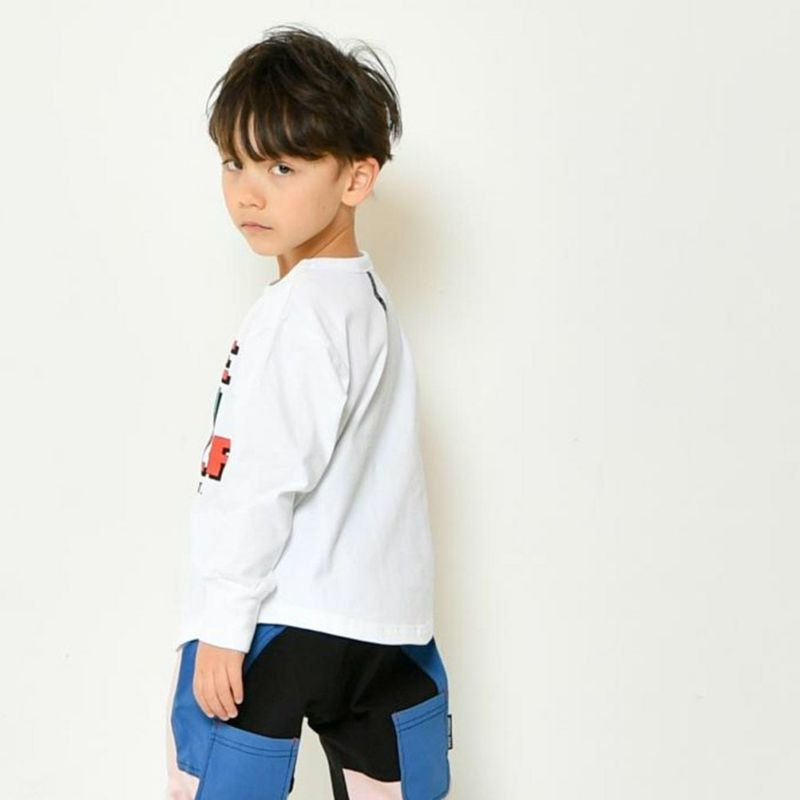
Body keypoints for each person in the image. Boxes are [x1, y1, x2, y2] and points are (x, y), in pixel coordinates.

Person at [164, 23, 452, 800]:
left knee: (212, 782)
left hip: (280, 619)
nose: (248, 192)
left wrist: (224, 623)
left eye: (282, 166)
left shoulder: (295, 315)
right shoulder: (369, 302)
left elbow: (258, 480)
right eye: (234, 162)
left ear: (357, 179)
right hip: (383, 630)